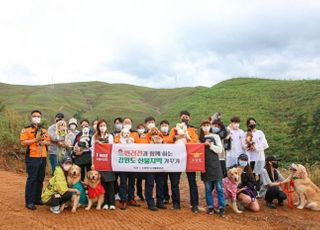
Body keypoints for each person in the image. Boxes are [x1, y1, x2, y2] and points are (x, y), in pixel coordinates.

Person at [168, 110, 199, 213]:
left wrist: (186, 136)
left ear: (190, 118)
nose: (184, 118)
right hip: (176, 158)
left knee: (192, 181)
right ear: (180, 118)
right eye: (183, 116)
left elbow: (195, 141)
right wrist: (177, 137)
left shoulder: (193, 130)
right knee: (174, 181)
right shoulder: (174, 129)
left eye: (186, 117)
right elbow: (168, 140)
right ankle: (176, 203)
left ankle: (194, 204)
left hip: (189, 158)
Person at [20, 110, 50, 210]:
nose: (36, 118)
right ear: (31, 117)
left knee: (40, 179)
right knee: (32, 179)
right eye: (34, 116)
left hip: (43, 156)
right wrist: (35, 140)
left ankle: (37, 199)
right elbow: (23, 142)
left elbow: (48, 141)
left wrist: (44, 142)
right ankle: (29, 201)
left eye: (38, 116)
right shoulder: (26, 129)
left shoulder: (44, 130)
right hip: (32, 157)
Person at [199, 120, 225, 217]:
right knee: (208, 188)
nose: (205, 127)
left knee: (219, 188)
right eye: (204, 125)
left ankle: (222, 207)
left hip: (215, 165)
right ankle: (210, 207)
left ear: (210, 126)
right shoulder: (199, 138)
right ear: (201, 127)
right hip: (204, 166)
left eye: (207, 125)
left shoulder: (215, 136)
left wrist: (210, 145)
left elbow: (219, 150)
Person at [115, 117, 140, 210]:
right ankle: (123, 200)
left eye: (129, 122)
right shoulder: (118, 135)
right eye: (125, 122)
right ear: (122, 124)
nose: (127, 124)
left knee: (132, 182)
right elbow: (116, 144)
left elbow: (140, 146)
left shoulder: (135, 134)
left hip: (133, 162)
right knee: (123, 182)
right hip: (122, 162)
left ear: (131, 124)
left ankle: (131, 199)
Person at [91, 119, 116, 210]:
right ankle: (105, 202)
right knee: (102, 183)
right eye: (101, 125)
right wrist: (93, 163)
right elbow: (93, 151)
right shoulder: (94, 137)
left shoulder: (110, 136)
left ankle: (112, 203)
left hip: (108, 162)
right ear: (98, 127)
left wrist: (101, 144)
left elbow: (111, 147)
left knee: (110, 183)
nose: (102, 127)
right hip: (99, 162)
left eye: (104, 125)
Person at [144, 117, 166, 211]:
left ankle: (160, 201)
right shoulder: (144, 136)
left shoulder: (160, 135)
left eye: (153, 122)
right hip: (149, 164)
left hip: (160, 163)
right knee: (150, 184)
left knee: (160, 183)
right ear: (146, 124)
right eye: (149, 122)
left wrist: (160, 140)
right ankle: (150, 203)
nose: (151, 124)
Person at [245, 117, 269, 193]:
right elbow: (243, 145)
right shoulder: (246, 134)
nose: (252, 124)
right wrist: (248, 147)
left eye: (253, 122)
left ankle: (260, 190)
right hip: (251, 158)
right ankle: (252, 190)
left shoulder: (260, 133)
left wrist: (256, 147)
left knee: (259, 174)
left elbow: (265, 144)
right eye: (250, 123)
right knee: (251, 174)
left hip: (259, 157)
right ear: (248, 125)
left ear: (255, 123)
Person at [136, 123, 148, 201]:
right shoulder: (136, 136)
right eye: (139, 128)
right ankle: (140, 194)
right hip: (138, 160)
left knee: (148, 179)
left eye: (142, 128)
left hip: (147, 160)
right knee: (139, 179)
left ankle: (147, 194)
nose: (141, 129)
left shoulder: (147, 136)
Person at [112, 117, 123, 201]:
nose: (118, 124)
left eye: (120, 123)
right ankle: (116, 193)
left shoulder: (127, 134)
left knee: (123, 179)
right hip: (114, 160)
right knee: (114, 178)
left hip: (124, 160)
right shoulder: (111, 135)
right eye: (116, 123)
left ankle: (123, 194)